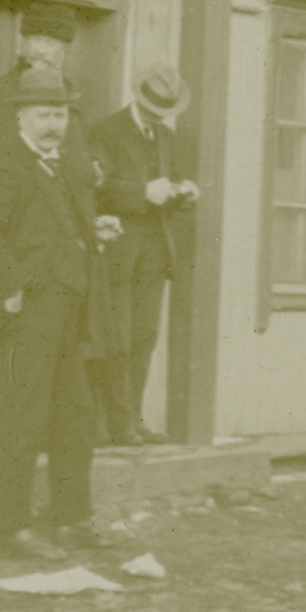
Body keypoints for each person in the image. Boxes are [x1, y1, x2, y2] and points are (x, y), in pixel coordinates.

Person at [0, 67, 123, 560]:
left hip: (69, 310)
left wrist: (95, 232)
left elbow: (53, 230)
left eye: (59, 115)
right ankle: (11, 530)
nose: (53, 124)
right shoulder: (7, 167)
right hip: (28, 313)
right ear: (21, 117)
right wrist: (11, 285)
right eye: (43, 115)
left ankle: (72, 520)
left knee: (74, 417)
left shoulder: (67, 166)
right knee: (22, 418)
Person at [90, 65, 197, 448]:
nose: (157, 117)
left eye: (163, 111)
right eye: (152, 109)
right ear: (138, 98)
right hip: (117, 251)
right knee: (117, 338)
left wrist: (183, 193)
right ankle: (117, 427)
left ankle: (132, 420)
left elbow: (170, 183)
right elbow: (93, 186)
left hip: (155, 251)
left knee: (144, 337)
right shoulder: (106, 130)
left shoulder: (165, 136)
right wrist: (141, 193)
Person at [0, 3, 90, 167]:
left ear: (65, 50)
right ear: (23, 44)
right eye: (35, 40)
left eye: (50, 43)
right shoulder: (1, 91)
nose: (40, 50)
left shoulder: (69, 91)